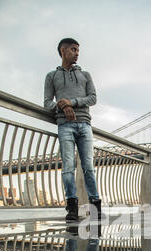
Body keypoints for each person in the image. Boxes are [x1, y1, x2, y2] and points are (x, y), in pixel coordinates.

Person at [44, 37, 101, 221]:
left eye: (78, 50)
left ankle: (95, 207)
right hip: (64, 126)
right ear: (63, 51)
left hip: (85, 125)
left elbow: (93, 98)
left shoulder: (86, 75)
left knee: (88, 168)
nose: (77, 53)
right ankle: (72, 208)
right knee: (68, 167)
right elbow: (47, 103)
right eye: (73, 49)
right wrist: (62, 106)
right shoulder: (51, 76)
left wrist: (72, 102)